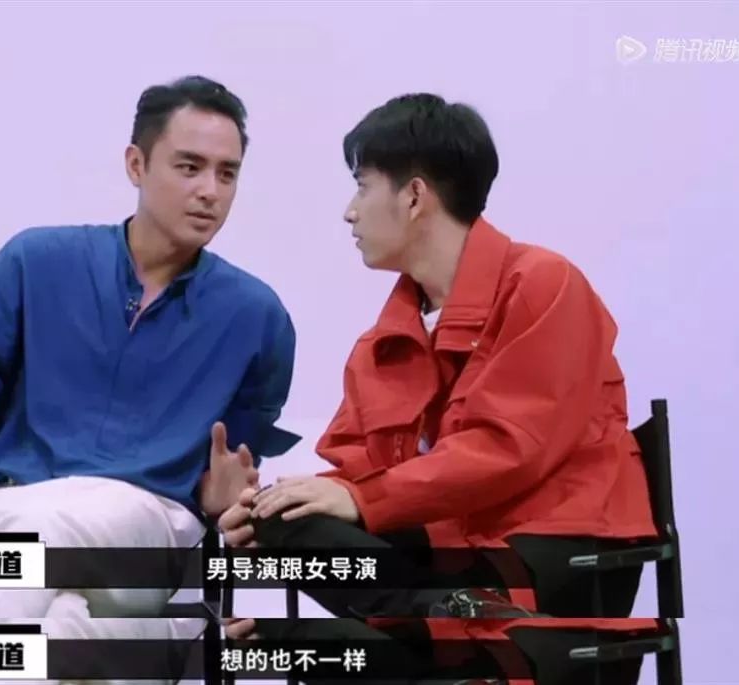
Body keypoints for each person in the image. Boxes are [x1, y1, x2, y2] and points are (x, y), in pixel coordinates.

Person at [219, 93, 659, 684]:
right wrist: (272, 509)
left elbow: (506, 447)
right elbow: (357, 472)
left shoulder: (543, 284)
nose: (350, 212)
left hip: (555, 556)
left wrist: (362, 500)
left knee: (325, 613)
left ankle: (452, 625)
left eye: (362, 187)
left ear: (414, 196)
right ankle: (446, 625)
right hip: (445, 563)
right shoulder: (382, 343)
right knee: (284, 538)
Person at [0, 75, 300, 681]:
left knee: (34, 539)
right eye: (189, 167)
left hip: (147, 529)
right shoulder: (36, 262)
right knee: (65, 625)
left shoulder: (257, 317)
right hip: (8, 511)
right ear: (136, 164)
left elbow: (229, 476)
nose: (209, 191)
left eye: (227, 173)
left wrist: (223, 498)